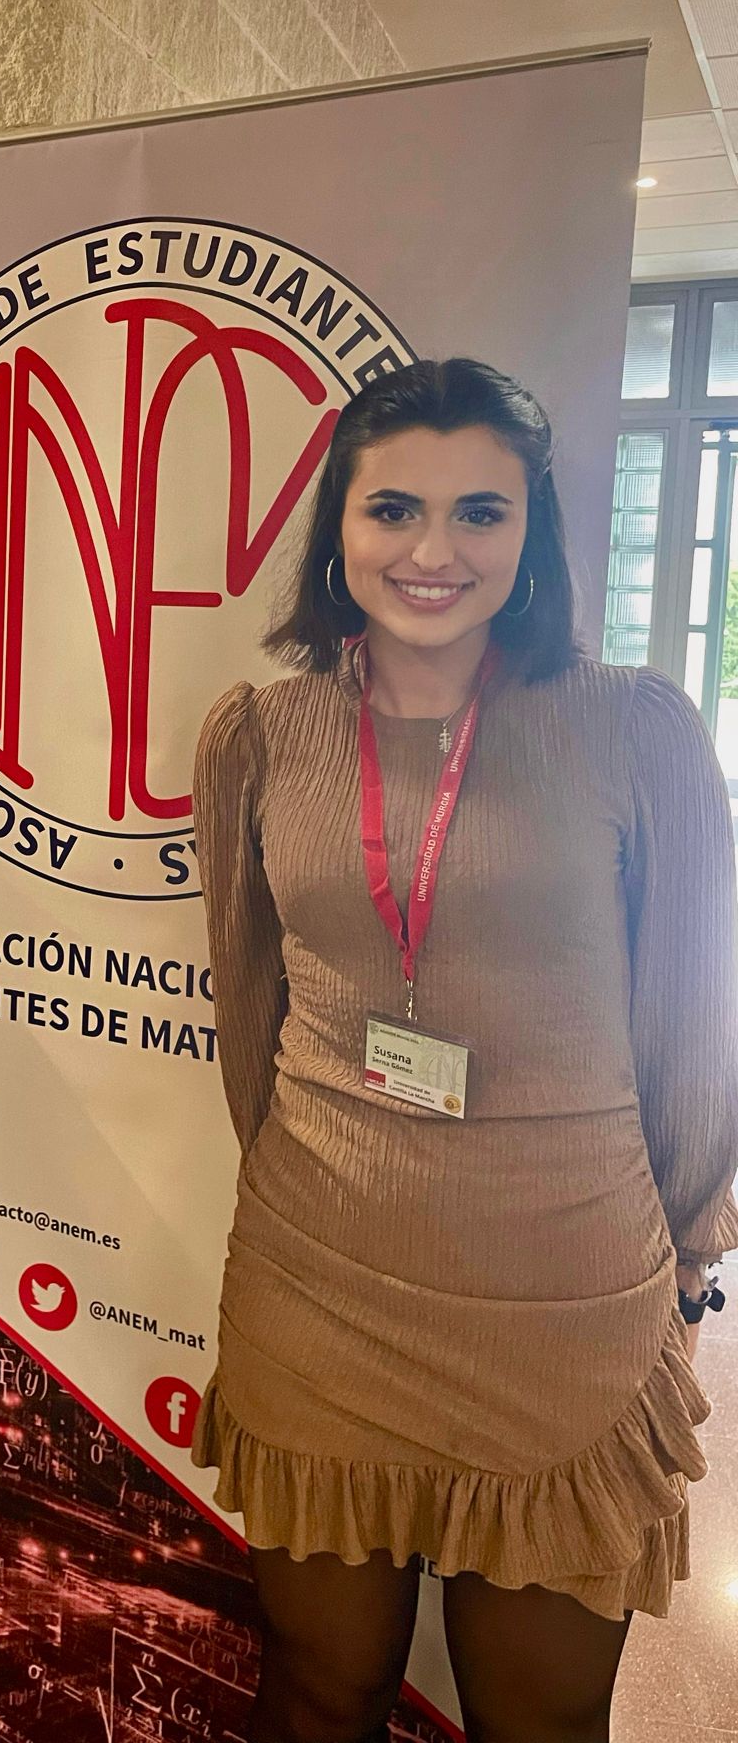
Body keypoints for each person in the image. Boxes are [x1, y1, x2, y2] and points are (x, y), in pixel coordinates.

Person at [191, 358, 738, 1743]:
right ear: (338, 531)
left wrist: (692, 1223)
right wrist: (295, 1180)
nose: (433, 552)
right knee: (318, 1690)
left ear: (531, 536)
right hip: (321, 1278)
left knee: (539, 1722)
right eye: (394, 510)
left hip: (561, 1293)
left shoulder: (633, 730)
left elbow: (693, 1000)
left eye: (480, 513)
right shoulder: (261, 732)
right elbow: (245, 1000)